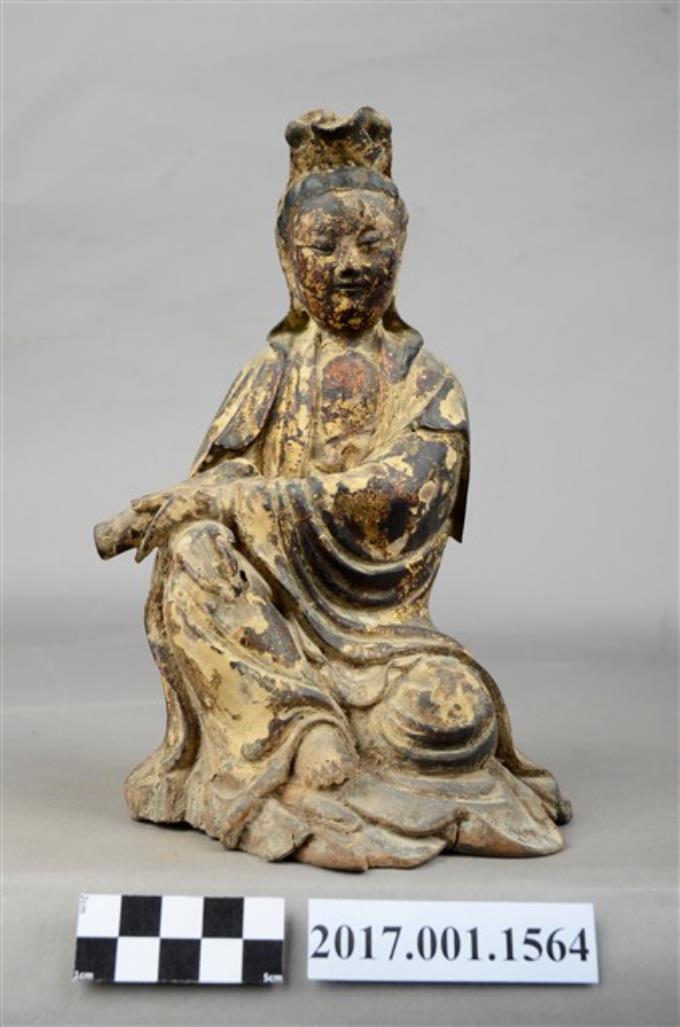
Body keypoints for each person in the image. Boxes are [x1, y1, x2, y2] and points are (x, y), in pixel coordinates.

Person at [95, 108, 571, 870]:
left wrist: (237, 499)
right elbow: (220, 478)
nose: (349, 265)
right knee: (192, 555)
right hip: (272, 629)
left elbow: (398, 497)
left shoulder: (426, 382)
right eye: (323, 245)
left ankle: (334, 739)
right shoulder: (272, 371)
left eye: (370, 243)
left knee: (454, 713)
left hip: (382, 638)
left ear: (400, 256)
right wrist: (206, 499)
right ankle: (300, 725)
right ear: (289, 262)